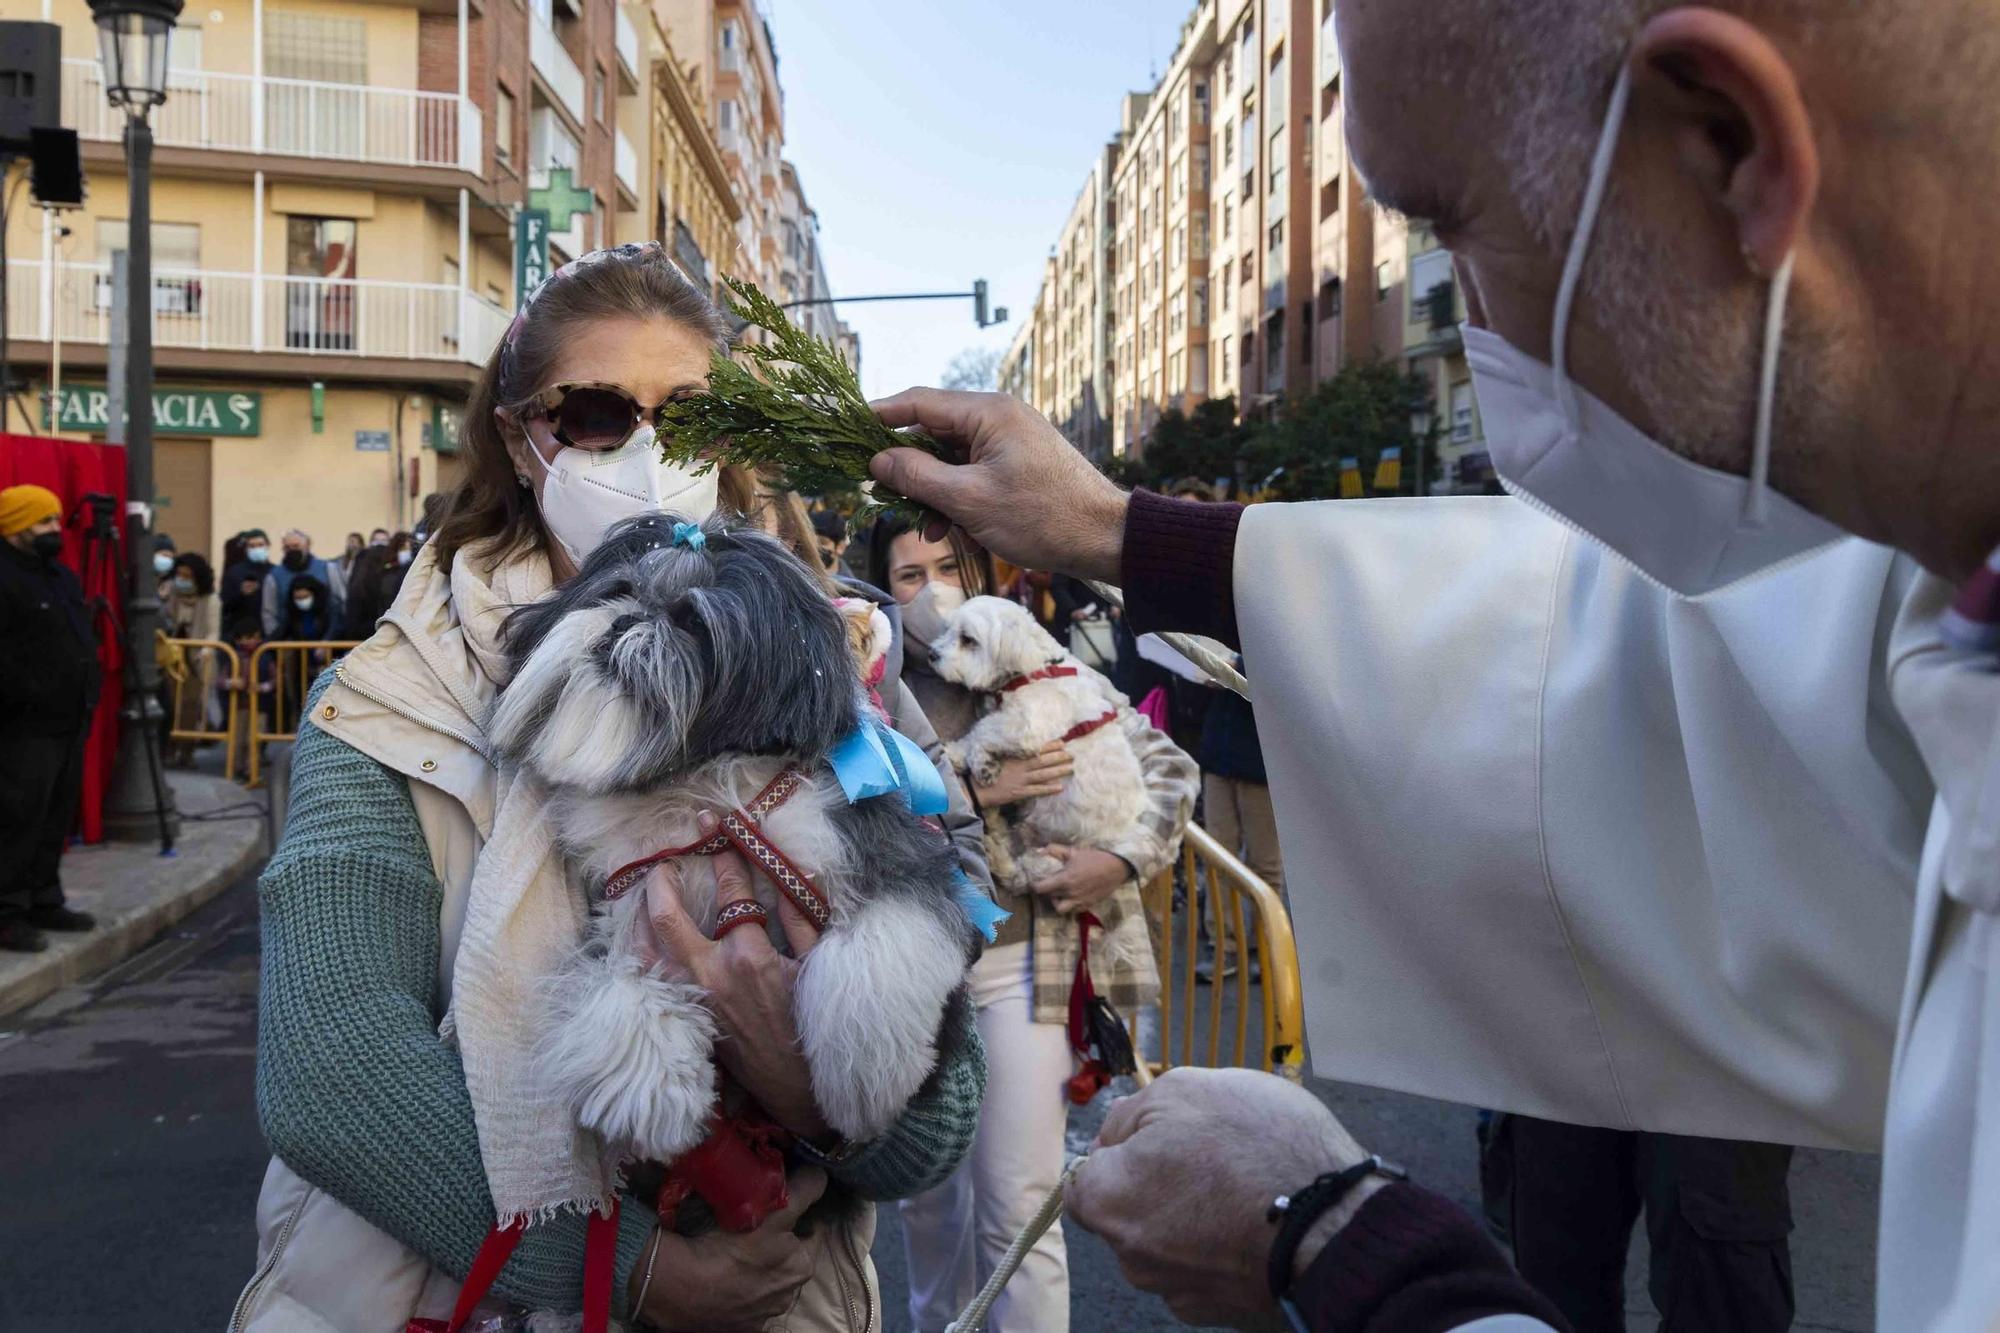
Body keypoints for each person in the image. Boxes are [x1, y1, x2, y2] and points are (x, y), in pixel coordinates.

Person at [863, 1, 2000, 1326]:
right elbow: (1593, 662)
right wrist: (1122, 534)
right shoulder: (1936, 573)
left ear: (1731, 147)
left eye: (1449, 223)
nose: (1464, 316)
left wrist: (1339, 1241)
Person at [238, 242, 988, 1332]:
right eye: (594, 414)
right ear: (518, 434)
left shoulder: (838, 668)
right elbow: (332, 1067)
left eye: (686, 416)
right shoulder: (389, 703)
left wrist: (801, 1077)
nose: (644, 450)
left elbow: (936, 1112)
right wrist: (620, 1267)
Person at [868, 514, 1197, 1333]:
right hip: (913, 973)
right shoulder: (863, 684)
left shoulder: (1045, 663)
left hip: (1030, 963)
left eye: (949, 565)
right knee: (930, 1207)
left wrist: (1119, 860)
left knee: (1018, 1204)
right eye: (910, 575)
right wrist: (980, 792)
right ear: (882, 587)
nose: (934, 589)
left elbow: (1168, 765)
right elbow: (844, 821)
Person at [0, 485, 102, 954]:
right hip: (23, 726)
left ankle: (44, 899)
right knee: (17, 819)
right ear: (15, 526)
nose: (53, 531)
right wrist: (28, 694)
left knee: (53, 818)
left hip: (67, 719)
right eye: (42, 523)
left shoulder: (60, 575)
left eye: (56, 522)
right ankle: (7, 913)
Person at [160, 551, 219, 768]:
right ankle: (168, 749)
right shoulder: (173, 593)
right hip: (173, 657)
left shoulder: (210, 600)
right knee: (169, 704)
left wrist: (206, 649)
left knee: (190, 707)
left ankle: (186, 751)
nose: (182, 580)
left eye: (187, 576)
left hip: (196, 661)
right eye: (179, 574)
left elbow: (213, 631)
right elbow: (166, 619)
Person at [260, 528, 342, 638]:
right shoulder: (273, 576)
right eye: (287, 548)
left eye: (296, 546)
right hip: (288, 640)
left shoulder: (328, 568)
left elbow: (339, 601)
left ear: (307, 546)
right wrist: (277, 641)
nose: (292, 550)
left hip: (325, 639)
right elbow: (269, 612)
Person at [221, 528, 273, 626]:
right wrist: (241, 594)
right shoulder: (234, 572)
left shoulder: (275, 572)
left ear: (268, 546)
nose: (257, 549)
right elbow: (225, 604)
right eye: (252, 546)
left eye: (260, 545)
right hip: (241, 628)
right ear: (246, 549)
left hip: (268, 629)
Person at [811, 506, 849, 575]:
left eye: (821, 542)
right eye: (809, 542)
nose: (813, 548)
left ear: (841, 547)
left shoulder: (854, 585)